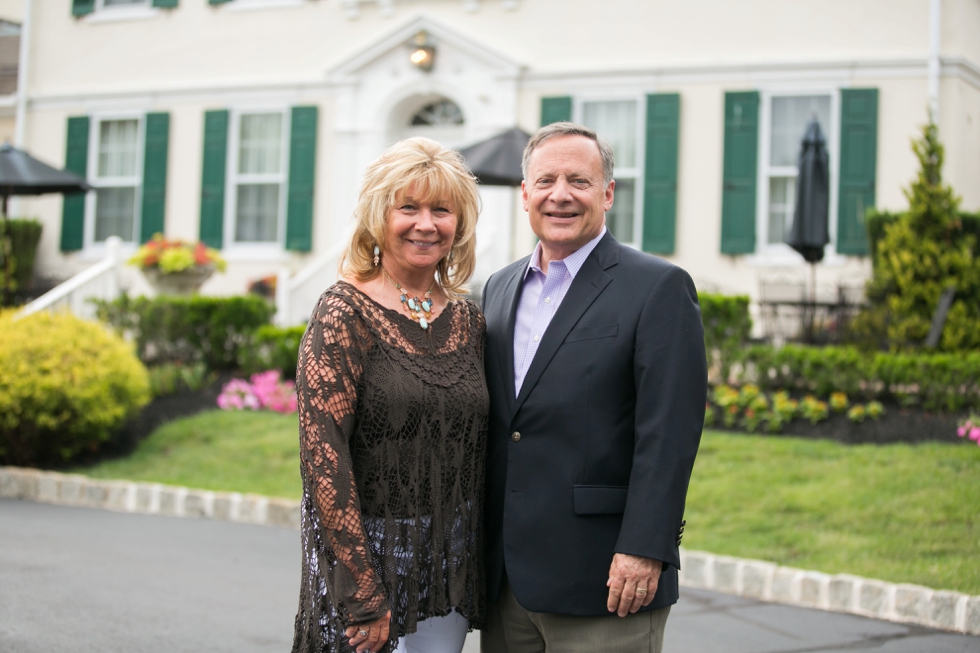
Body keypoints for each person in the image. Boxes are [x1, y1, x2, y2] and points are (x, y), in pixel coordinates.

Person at [480, 122, 707, 653]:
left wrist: (645, 549)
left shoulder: (658, 288)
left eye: (578, 181)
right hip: (507, 583)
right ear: (525, 195)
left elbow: (668, 436)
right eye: (546, 181)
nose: (560, 195)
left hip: (607, 581)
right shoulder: (498, 287)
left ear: (607, 194)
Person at [291, 137, 488, 653]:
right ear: (379, 216)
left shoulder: (469, 320)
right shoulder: (344, 313)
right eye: (409, 207)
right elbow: (323, 455)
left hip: (450, 559)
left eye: (441, 210)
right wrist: (361, 587)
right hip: (371, 554)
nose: (426, 224)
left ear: (458, 224)